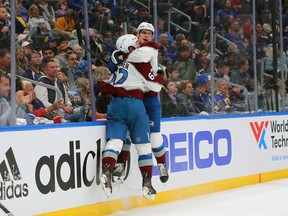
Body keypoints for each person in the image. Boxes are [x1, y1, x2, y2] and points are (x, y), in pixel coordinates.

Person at [100, 34, 162, 200]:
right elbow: (155, 84)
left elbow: (113, 61)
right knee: (144, 147)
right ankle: (147, 184)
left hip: (115, 105)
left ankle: (106, 171)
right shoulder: (141, 61)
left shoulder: (116, 60)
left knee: (116, 141)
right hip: (135, 103)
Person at [113, 22, 169, 185]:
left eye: (149, 33)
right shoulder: (132, 49)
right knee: (129, 133)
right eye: (142, 32)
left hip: (150, 99)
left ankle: (161, 164)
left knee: (154, 137)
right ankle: (121, 164)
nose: (146, 35)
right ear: (137, 35)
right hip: (135, 98)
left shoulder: (149, 49)